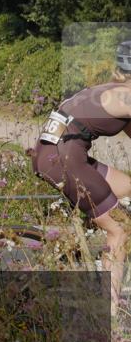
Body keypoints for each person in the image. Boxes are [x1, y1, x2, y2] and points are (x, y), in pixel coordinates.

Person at [31, 41, 131, 317]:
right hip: (64, 160)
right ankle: (108, 312)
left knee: (127, 189)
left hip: (56, 155)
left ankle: (97, 249)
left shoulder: (110, 90)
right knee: (120, 228)